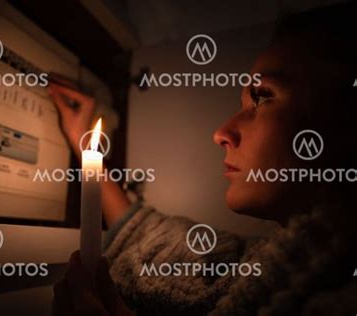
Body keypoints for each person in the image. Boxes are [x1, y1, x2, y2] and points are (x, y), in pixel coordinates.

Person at [49, 3, 357, 315]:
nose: (222, 133)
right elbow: (165, 246)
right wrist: (84, 146)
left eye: (262, 97)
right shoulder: (276, 264)